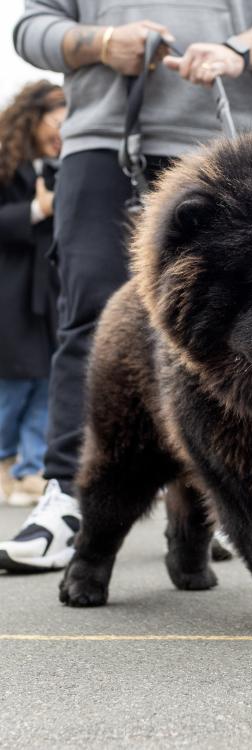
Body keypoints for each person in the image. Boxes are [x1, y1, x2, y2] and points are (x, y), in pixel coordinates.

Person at [0, 0, 252, 572]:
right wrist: (102, 45)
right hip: (103, 144)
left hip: (231, 145)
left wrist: (237, 50)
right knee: (93, 319)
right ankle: (70, 499)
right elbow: (31, 27)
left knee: (239, 324)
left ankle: (225, 498)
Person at [0, 82, 65, 510]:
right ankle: (7, 462)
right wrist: (38, 210)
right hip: (10, 289)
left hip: (52, 289)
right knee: (13, 384)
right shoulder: (7, 165)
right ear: (34, 117)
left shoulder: (67, 164)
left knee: (46, 379)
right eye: (57, 119)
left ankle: (29, 471)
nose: (61, 130)